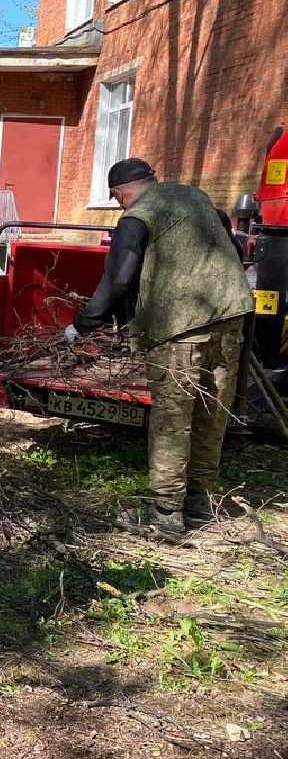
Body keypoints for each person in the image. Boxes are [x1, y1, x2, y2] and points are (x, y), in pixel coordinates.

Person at [65, 157, 252, 535]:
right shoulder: (196, 199)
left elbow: (118, 278)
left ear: (120, 193)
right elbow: (230, 241)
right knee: (210, 413)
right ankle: (199, 502)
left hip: (180, 328)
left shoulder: (137, 215)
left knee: (172, 419)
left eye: (117, 199)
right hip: (231, 317)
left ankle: (166, 514)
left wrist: (82, 325)